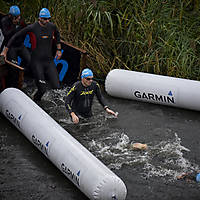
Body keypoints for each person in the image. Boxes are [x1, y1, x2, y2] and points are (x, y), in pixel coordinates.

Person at [1, 8, 61, 101]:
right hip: (33, 59)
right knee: (42, 89)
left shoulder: (52, 26)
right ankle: (30, 99)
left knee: (57, 87)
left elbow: (57, 34)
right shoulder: (32, 27)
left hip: (48, 61)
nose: (47, 21)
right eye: (45, 19)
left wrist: (58, 49)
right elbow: (13, 36)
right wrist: (5, 51)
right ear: (40, 18)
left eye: (49, 18)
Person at [0, 5, 31, 87]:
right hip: (11, 47)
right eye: (16, 17)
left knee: (30, 61)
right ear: (10, 16)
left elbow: (25, 31)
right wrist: (14, 27)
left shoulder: (21, 20)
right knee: (13, 69)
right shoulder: (4, 21)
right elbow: (6, 35)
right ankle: (12, 85)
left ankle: (22, 79)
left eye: (19, 16)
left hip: (20, 45)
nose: (18, 18)